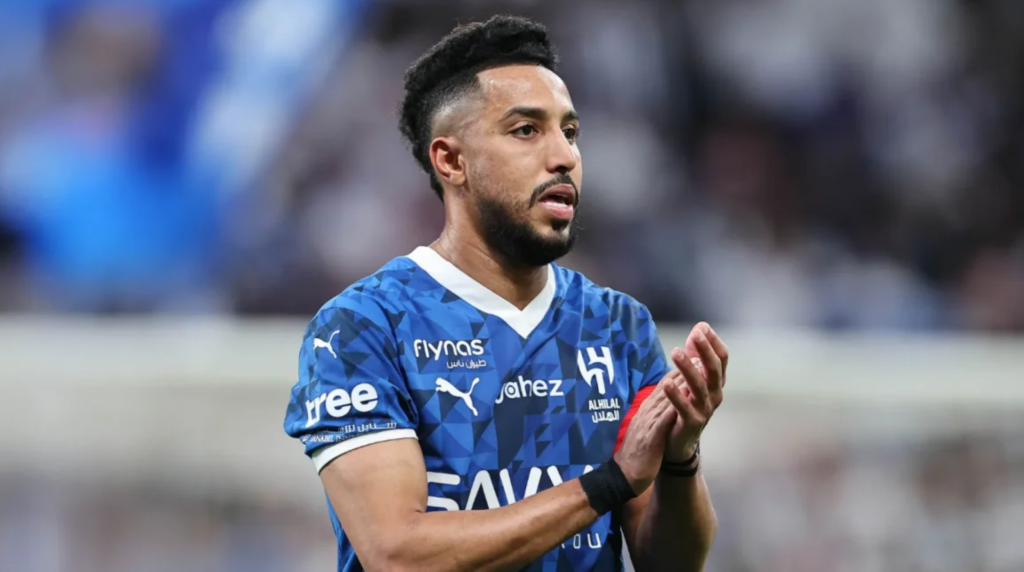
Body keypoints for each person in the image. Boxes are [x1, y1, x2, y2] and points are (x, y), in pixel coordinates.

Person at [283, 14, 728, 572]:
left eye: (570, 132)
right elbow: (398, 555)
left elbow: (669, 564)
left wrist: (680, 460)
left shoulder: (617, 324)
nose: (564, 156)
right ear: (451, 161)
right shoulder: (364, 326)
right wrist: (607, 483)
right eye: (526, 130)